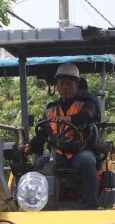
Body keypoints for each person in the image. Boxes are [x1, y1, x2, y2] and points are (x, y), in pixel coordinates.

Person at [23, 63, 99, 209]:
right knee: (41, 164)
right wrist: (30, 146)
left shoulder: (87, 104)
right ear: (56, 86)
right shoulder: (50, 109)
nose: (65, 87)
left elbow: (85, 116)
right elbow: (43, 133)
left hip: (79, 151)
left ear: (76, 85)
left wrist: (69, 119)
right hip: (58, 152)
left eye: (69, 84)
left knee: (88, 161)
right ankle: (41, 204)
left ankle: (90, 206)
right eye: (62, 83)